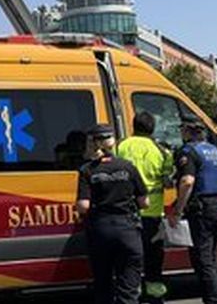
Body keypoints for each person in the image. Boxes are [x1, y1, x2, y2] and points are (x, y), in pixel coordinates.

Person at [77, 124, 148, 304]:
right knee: (129, 289)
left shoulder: (87, 170)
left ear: (93, 143)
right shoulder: (128, 166)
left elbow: (83, 206)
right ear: (113, 141)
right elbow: (144, 202)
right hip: (128, 230)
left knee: (103, 284)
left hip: (101, 230)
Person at [170, 120, 217, 304]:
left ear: (188, 131)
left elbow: (187, 181)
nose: (180, 133)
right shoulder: (212, 150)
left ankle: (213, 300)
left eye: (182, 129)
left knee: (203, 259)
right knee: (211, 257)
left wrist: (178, 209)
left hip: (202, 209)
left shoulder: (188, 151)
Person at [117, 112, 173, 304]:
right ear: (152, 128)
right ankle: (155, 295)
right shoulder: (162, 151)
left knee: (130, 259)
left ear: (133, 126)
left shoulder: (121, 146)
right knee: (154, 259)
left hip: (128, 213)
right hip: (153, 214)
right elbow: (167, 181)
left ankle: (133, 293)